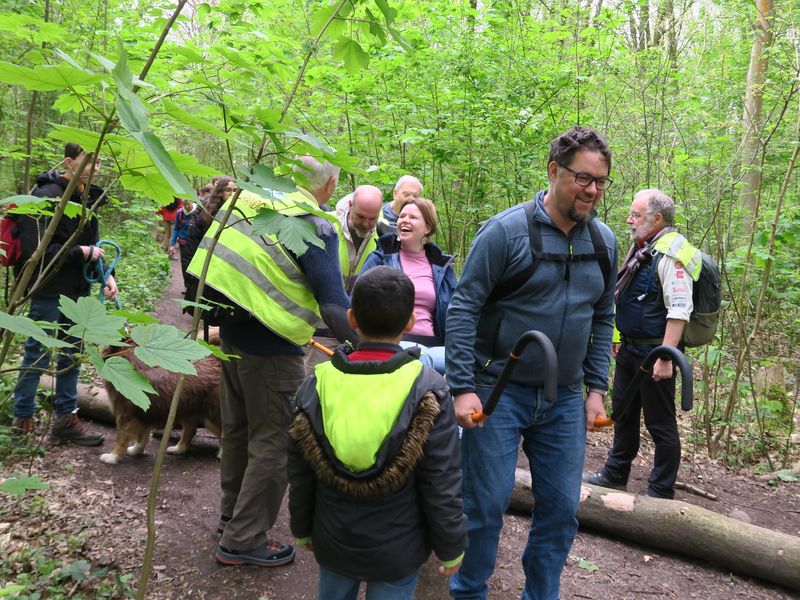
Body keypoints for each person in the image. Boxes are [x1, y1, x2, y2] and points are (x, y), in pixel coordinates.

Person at [446, 126, 617, 600]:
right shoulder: (504, 232)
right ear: (553, 172)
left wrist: (596, 389)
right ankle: (469, 592)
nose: (593, 190)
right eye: (583, 178)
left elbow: (603, 315)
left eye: (601, 181)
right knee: (485, 505)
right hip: (497, 391)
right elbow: (464, 307)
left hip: (563, 399)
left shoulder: (603, 242)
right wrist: (462, 386)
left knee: (562, 510)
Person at [187, 156, 357, 568]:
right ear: (331, 184)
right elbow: (334, 307)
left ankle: (232, 519)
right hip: (273, 349)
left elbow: (199, 247)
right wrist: (370, 344)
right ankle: (243, 539)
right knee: (274, 444)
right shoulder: (313, 224)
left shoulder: (250, 200)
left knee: (239, 432)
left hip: (228, 335)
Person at [287, 265, 466, 599]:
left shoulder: (316, 384)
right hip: (399, 549)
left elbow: (300, 472)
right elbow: (441, 478)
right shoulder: (428, 388)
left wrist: (302, 528)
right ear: (411, 323)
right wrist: (451, 545)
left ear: (352, 318)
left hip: (333, 540)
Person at [584, 189, 699, 500]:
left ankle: (661, 491)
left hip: (656, 352)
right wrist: (618, 336)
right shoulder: (644, 248)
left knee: (660, 424)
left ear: (657, 219)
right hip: (630, 350)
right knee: (623, 413)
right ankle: (615, 474)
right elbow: (624, 295)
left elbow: (679, 309)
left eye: (635, 215)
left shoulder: (674, 252)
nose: (629, 220)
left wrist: (666, 357)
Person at [12, 143, 118, 444]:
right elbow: (38, 251)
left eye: (99, 162)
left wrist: (108, 275)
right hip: (48, 289)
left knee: (72, 354)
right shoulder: (45, 197)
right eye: (90, 161)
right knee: (38, 354)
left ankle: (66, 419)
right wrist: (82, 252)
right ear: (69, 162)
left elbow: (94, 245)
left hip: (78, 292)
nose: (96, 167)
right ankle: (22, 421)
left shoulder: (86, 198)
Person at [361, 197, 456, 373]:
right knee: (422, 360)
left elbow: (456, 310)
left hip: (435, 344)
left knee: (464, 363)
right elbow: (359, 300)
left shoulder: (442, 267)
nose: (404, 220)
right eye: (402, 216)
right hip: (393, 342)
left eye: (413, 217)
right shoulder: (381, 257)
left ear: (427, 228)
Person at [304, 185, 383, 372]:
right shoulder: (324, 226)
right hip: (318, 332)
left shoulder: (384, 237)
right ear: (350, 205)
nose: (366, 224)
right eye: (360, 217)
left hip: (359, 334)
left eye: (372, 219)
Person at [180, 177, 235, 284]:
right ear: (220, 192)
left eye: (235, 191)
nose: (232, 194)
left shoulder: (240, 215)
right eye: (228, 190)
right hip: (205, 268)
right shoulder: (206, 214)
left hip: (226, 273)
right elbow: (191, 247)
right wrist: (189, 278)